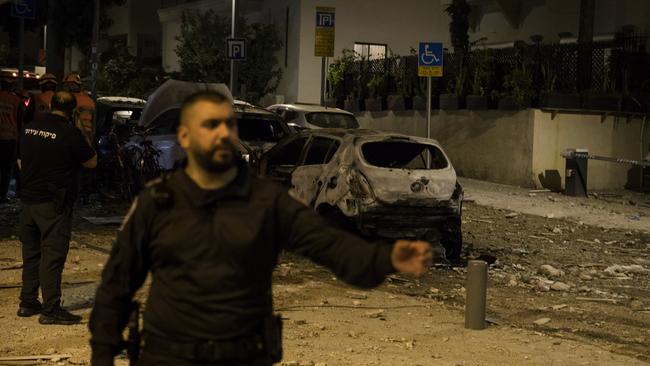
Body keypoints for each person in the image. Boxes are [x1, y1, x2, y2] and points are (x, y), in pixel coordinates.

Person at [89, 90, 433, 366]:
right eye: (210, 125)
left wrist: (388, 258)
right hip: (168, 353)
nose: (222, 134)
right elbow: (117, 282)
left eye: (228, 125)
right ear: (185, 136)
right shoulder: (157, 202)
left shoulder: (267, 202)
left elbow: (332, 246)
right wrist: (103, 351)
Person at [17, 91, 98, 324]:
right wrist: (81, 129)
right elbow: (91, 162)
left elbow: (20, 161)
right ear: (72, 110)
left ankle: (28, 302)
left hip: (28, 201)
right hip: (53, 204)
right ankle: (51, 309)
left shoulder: (30, 127)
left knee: (31, 253)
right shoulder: (69, 133)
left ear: (51, 105)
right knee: (52, 256)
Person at [0, 74, 21, 203]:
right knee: (7, 168)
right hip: (10, 139)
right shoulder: (16, 101)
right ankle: (2, 194)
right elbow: (19, 120)